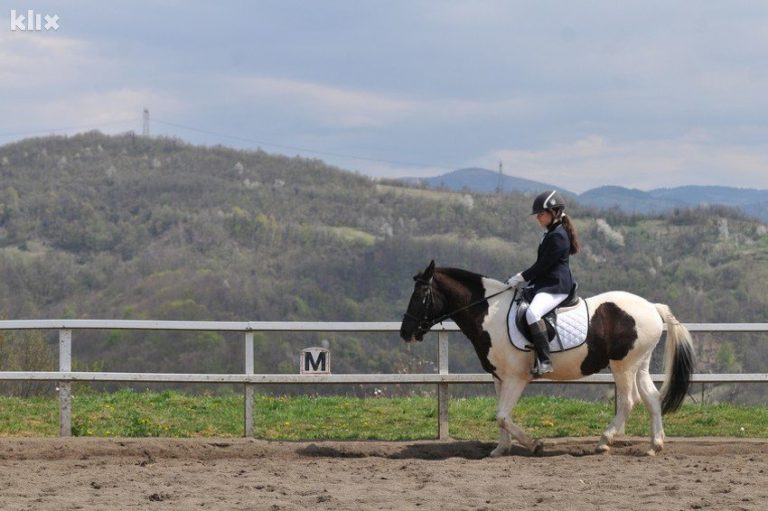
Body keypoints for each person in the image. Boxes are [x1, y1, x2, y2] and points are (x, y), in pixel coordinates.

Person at [507, 190, 580, 377]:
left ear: (554, 212)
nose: (538, 218)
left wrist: (521, 277)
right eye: (537, 214)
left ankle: (545, 361)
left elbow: (543, 265)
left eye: (541, 214)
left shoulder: (558, 236)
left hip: (557, 286)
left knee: (533, 313)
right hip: (546, 283)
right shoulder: (551, 232)